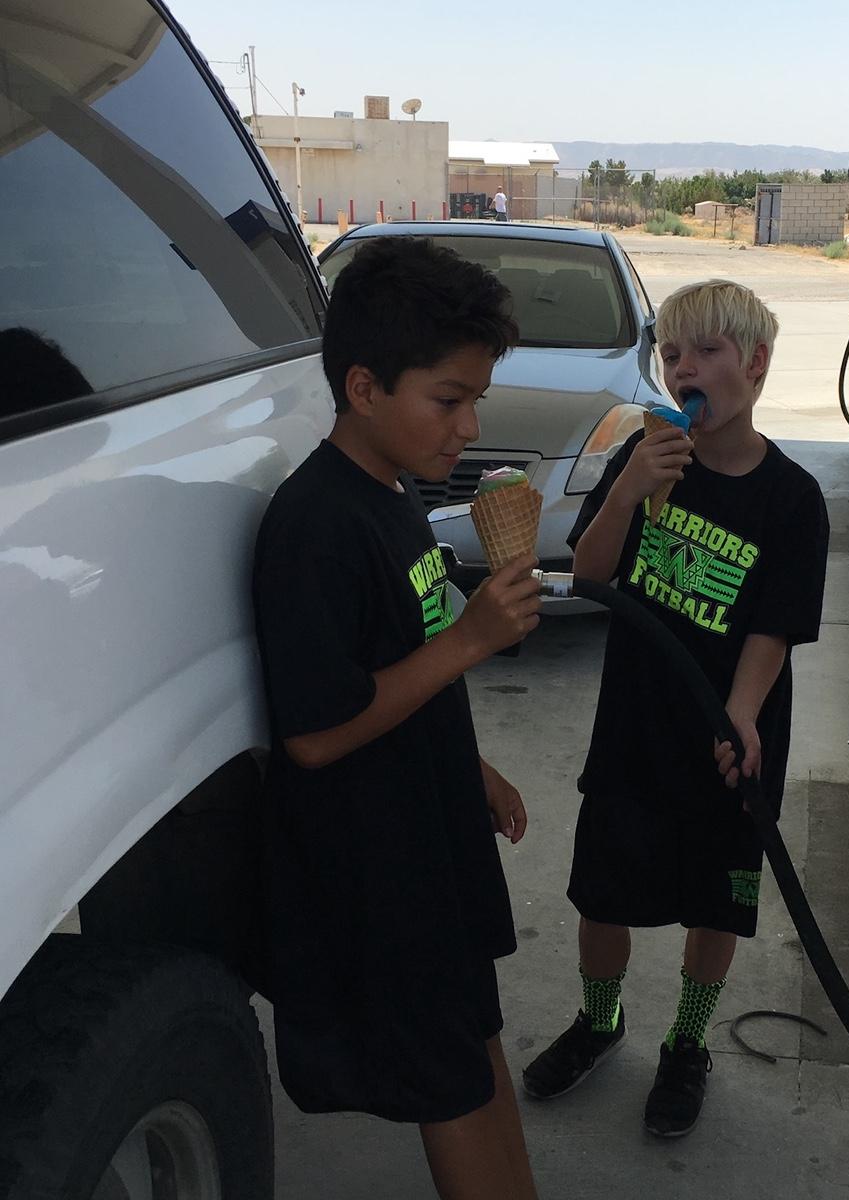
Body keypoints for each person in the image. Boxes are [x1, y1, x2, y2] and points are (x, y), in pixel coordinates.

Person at [252, 236, 542, 1200]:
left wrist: (470, 767)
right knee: (448, 1085)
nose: (468, 427)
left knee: (478, 1047)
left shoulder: (394, 490)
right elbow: (314, 734)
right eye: (448, 401)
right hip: (384, 872)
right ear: (365, 387)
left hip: (435, 837)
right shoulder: (315, 525)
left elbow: (404, 658)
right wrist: (473, 639)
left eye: (476, 401)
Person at [521, 279, 829, 1138]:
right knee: (603, 893)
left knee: (713, 900)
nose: (682, 368)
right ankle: (600, 1019)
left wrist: (741, 716)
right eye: (670, 354)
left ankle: (688, 1041)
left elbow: (774, 626)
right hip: (636, 721)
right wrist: (626, 491)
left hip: (732, 731)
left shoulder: (793, 498)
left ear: (756, 364)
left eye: (705, 352)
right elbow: (589, 578)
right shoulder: (647, 458)